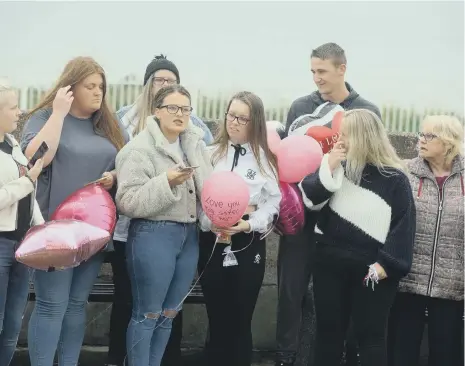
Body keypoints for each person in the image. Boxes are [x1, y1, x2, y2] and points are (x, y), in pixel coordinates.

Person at [276, 42, 381, 366]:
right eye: (312, 71)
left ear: (342, 69)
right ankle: (286, 356)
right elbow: (287, 158)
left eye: (322, 71)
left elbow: (374, 164)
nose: (316, 78)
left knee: (339, 298)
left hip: (345, 220)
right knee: (290, 292)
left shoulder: (366, 110)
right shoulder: (299, 107)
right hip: (303, 214)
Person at [20, 57, 128, 366]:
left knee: (76, 305)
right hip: (53, 235)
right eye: (90, 86)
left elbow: (129, 163)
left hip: (93, 233)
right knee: (52, 305)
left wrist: (115, 177)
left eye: (102, 87)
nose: (98, 93)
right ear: (71, 88)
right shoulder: (44, 117)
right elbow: (36, 159)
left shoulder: (110, 124)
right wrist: (58, 113)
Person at [107, 54, 213, 366]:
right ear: (157, 111)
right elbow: (127, 202)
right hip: (153, 235)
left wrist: (217, 217)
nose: (180, 114)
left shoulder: (195, 144)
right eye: (173, 108)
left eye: (185, 109)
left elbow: (209, 192)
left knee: (169, 313)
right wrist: (166, 181)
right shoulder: (137, 150)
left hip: (189, 235)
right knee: (147, 313)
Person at [299, 109, 416, 366]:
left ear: (364, 137)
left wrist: (388, 265)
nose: (340, 139)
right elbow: (309, 200)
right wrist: (328, 167)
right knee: (328, 334)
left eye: (346, 134)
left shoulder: (394, 179)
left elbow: (403, 227)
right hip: (328, 264)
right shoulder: (336, 167)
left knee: (370, 338)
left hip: (372, 270)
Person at [198, 91, 282, 366]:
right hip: (212, 242)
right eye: (230, 115)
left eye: (241, 118)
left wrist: (249, 224)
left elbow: (273, 204)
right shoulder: (209, 155)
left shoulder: (265, 160)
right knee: (217, 317)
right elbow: (197, 200)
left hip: (248, 245)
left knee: (241, 318)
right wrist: (211, 222)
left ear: (255, 122)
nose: (233, 122)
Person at [388, 115, 464, 366]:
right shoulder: (405, 173)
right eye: (421, 134)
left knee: (447, 355)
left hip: (452, 285)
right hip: (408, 281)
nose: (420, 140)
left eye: (429, 136)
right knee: (402, 353)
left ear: (448, 142)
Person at [0, 81, 44, 366]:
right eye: (13, 107)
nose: (20, 112)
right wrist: (28, 180)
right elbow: (22, 188)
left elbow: (29, 197)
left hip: (21, 243)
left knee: (12, 325)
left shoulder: (12, 143)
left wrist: (41, 228)